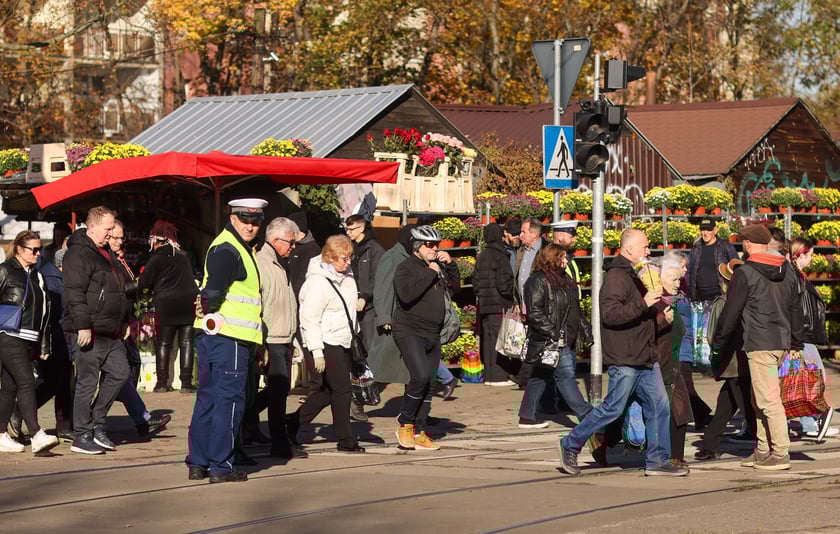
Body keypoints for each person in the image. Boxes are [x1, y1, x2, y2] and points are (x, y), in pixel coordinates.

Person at [558, 229, 688, 477]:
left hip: (645, 356)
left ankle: (658, 460)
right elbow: (610, 315)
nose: (648, 251)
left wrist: (660, 320)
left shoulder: (637, 275)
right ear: (628, 250)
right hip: (626, 357)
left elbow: (640, 318)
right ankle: (570, 443)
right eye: (645, 247)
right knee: (613, 408)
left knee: (660, 407)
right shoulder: (617, 277)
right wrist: (645, 303)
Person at [186, 198, 267, 483]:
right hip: (229, 337)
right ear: (232, 218)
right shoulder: (229, 249)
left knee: (208, 399)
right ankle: (221, 464)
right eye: (245, 220)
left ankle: (199, 462)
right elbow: (214, 290)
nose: (250, 226)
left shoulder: (233, 246)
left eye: (255, 222)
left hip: (219, 335)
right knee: (228, 402)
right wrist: (206, 305)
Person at [712, 224, 804, 471]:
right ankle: (763, 449)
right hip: (781, 340)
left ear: (749, 244)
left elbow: (731, 312)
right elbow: (796, 307)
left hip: (759, 341)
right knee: (758, 398)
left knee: (768, 400)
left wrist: (718, 343)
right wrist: (795, 341)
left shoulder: (746, 272)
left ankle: (780, 452)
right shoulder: (787, 270)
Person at [286, 234, 366, 454]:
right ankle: (345, 439)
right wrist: (316, 351)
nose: (347, 262)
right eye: (343, 258)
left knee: (328, 391)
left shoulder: (348, 278)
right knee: (342, 389)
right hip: (325, 341)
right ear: (329, 258)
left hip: (344, 340)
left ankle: (291, 422)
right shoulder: (317, 282)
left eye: (349, 258)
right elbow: (309, 318)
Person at [64, 206, 131, 455]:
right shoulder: (79, 254)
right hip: (90, 329)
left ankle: (96, 424)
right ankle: (81, 434)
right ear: (92, 227)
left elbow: (117, 289)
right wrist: (83, 325)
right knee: (87, 383)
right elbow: (74, 292)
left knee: (120, 373)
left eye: (113, 228)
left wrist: (124, 322)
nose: (111, 233)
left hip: (110, 330)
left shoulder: (104, 253)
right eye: (108, 228)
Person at [242, 217, 307, 458]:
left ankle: (247, 420)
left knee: (278, 390)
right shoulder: (263, 263)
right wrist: (261, 341)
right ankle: (280, 444)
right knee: (279, 393)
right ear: (276, 240)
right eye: (290, 242)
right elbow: (258, 303)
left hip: (282, 335)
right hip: (271, 338)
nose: (293, 247)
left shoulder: (277, 262)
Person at [393, 225, 459, 451]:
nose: (434, 248)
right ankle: (405, 423)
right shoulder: (405, 268)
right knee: (419, 377)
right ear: (416, 247)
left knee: (430, 382)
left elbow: (455, 287)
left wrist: (450, 266)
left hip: (433, 332)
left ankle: (420, 430)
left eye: (436, 245)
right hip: (410, 330)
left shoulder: (436, 266)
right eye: (429, 245)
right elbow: (406, 295)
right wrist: (431, 272)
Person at [517, 244, 592, 429]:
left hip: (567, 335)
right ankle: (587, 415)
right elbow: (535, 312)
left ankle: (526, 416)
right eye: (562, 257)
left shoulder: (565, 280)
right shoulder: (537, 280)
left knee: (540, 375)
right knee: (566, 376)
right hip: (553, 338)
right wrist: (553, 332)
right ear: (553, 258)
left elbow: (576, 308)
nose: (566, 261)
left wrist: (586, 330)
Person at [109, 221, 171, 437]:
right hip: (113, 326)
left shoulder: (119, 259)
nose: (119, 242)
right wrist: (138, 285)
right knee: (119, 375)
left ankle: (141, 420)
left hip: (126, 323)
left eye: (121, 238)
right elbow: (117, 290)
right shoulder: (107, 261)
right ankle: (139, 419)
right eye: (115, 237)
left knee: (122, 374)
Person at [0, 231, 59, 455]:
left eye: (40, 249)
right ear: (19, 250)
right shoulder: (5, 270)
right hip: (8, 335)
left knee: (10, 387)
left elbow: (45, 311)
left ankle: (1, 435)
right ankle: (36, 434)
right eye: (33, 250)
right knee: (26, 381)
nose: (37, 254)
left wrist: (44, 344)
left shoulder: (37, 275)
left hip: (29, 339)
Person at [695, 258, 757, 461]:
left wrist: (716, 356)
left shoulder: (724, 301)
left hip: (732, 362)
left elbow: (715, 334)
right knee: (730, 404)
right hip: (744, 361)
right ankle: (710, 444)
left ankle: (767, 444)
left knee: (745, 406)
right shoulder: (751, 299)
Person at [683, 219, 737, 430]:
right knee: (699, 343)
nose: (705, 232)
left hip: (718, 299)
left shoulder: (725, 246)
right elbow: (690, 272)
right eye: (702, 229)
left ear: (715, 230)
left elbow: (735, 267)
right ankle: (709, 365)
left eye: (708, 229)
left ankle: (718, 363)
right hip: (699, 300)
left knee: (714, 336)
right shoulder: (696, 247)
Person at [138, 220, 199, 392]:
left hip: (165, 304)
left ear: (155, 240)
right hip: (189, 302)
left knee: (163, 343)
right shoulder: (183, 256)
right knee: (187, 342)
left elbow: (144, 284)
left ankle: (162, 383)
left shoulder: (155, 259)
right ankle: (186, 384)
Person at [789, 237, 835, 440]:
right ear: (801, 254)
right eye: (811, 254)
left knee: (805, 379)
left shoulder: (799, 276)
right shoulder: (794, 277)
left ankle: (810, 421)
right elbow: (797, 309)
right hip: (802, 336)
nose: (812, 258)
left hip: (804, 336)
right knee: (814, 378)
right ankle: (813, 420)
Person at [29, 244, 74, 442]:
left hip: (60, 339)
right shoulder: (53, 281)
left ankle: (64, 425)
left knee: (63, 382)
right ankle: (18, 412)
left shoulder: (55, 277)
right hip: (55, 340)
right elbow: (55, 317)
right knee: (52, 382)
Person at [345, 214, 385, 422]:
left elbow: (376, 278)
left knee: (363, 355)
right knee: (352, 354)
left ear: (361, 228)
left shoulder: (375, 250)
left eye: (351, 229)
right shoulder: (350, 249)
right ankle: (352, 401)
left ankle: (358, 401)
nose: (348, 233)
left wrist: (365, 296)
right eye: (347, 229)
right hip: (349, 307)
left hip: (367, 309)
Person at [654, 252, 693, 466]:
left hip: (673, 364)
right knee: (622, 407)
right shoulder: (653, 301)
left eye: (679, 279)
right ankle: (603, 438)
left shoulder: (673, 301)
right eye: (673, 279)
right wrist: (661, 320)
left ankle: (676, 456)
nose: (678, 284)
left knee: (680, 408)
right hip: (653, 366)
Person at [472, 223, 516, 386]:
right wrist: (511, 294)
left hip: (485, 304)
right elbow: (505, 283)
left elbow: (475, 281)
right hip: (499, 304)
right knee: (499, 338)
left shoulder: (482, 255)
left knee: (488, 339)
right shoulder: (500, 255)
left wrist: (482, 295)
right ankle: (499, 376)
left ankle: (490, 375)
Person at [287, 210, 323, 402]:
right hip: (291, 304)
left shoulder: (311, 250)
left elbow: (302, 279)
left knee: (308, 347)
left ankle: (317, 387)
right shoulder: (294, 248)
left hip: (303, 306)